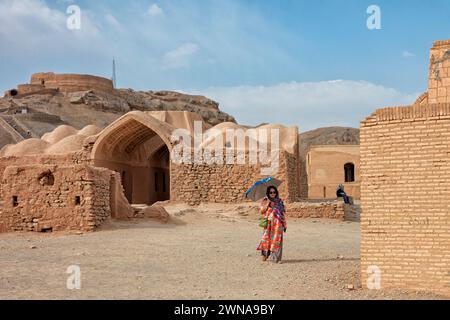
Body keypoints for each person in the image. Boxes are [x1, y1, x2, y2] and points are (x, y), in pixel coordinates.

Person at [257, 186, 286, 263]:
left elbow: (283, 211)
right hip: (268, 223)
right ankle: (265, 255)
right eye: (271, 192)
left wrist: (284, 224)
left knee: (277, 240)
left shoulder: (279, 201)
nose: (273, 194)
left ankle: (277, 258)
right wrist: (268, 205)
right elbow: (261, 210)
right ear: (268, 193)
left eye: (274, 192)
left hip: (277, 224)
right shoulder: (265, 200)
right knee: (266, 239)